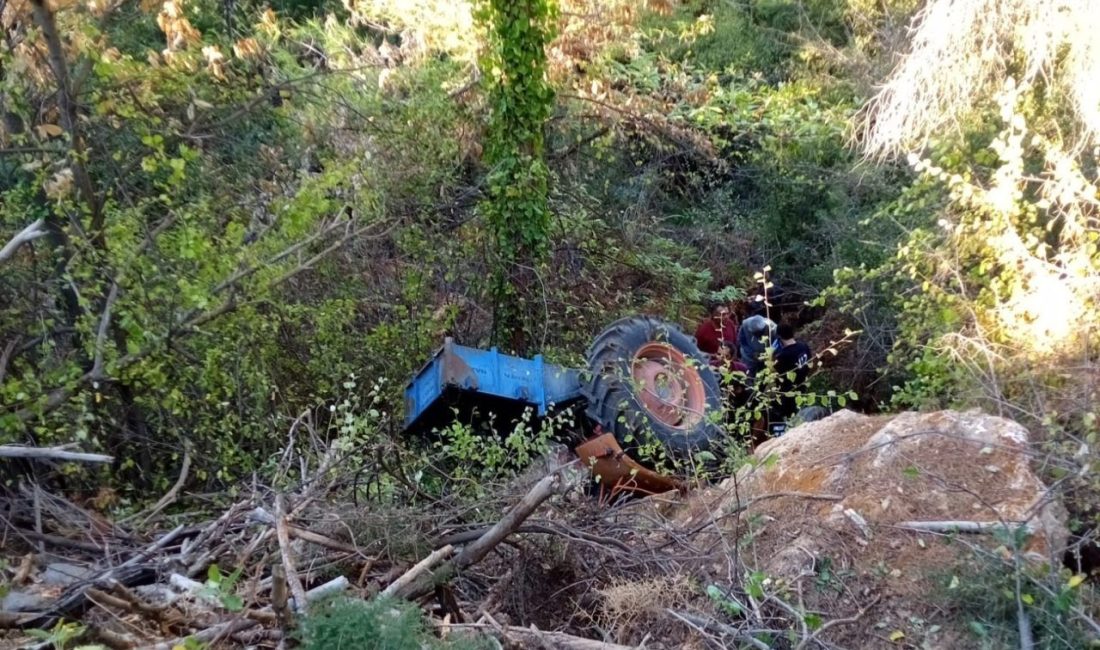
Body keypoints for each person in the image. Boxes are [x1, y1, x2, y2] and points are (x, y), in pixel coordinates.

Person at [773, 322, 812, 419]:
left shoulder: (783, 356)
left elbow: (777, 377)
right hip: (802, 386)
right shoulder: (804, 346)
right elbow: (810, 364)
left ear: (779, 336)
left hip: (788, 393)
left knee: (790, 416)